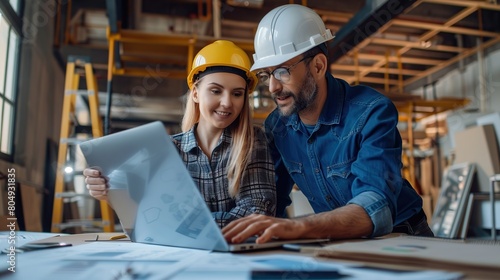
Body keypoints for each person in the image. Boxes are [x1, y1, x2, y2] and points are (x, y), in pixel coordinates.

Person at [222, 4, 434, 244]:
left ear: (318, 66)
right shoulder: (277, 126)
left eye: (282, 71)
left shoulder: (372, 112)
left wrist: (297, 226)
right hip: (338, 239)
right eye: (266, 75)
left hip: (401, 236)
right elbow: (272, 200)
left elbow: (375, 205)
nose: (272, 87)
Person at [84, 40, 276, 228]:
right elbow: (147, 215)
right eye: (216, 90)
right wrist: (108, 190)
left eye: (237, 93)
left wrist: (182, 224)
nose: (227, 102)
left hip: (238, 257)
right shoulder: (167, 149)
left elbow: (256, 213)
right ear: (195, 94)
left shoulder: (252, 142)